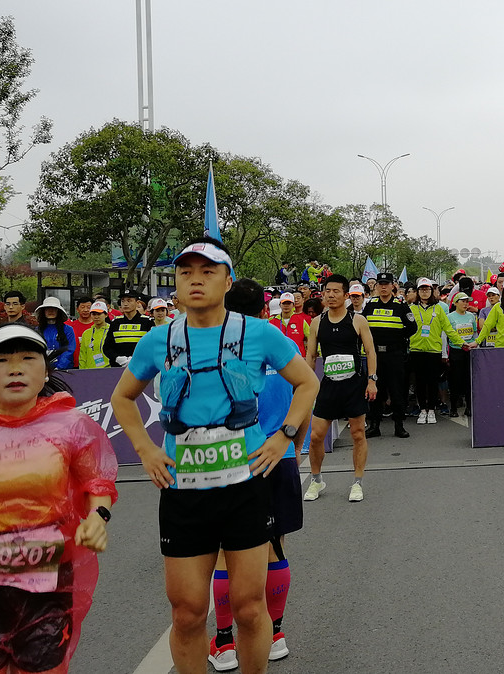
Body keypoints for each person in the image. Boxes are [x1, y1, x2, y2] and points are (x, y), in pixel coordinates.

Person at [109, 237, 319, 674]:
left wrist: (284, 436)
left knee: (248, 609)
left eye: (207, 272)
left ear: (227, 281)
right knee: (187, 612)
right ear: (176, 285)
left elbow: (307, 382)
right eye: (186, 273)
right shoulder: (158, 340)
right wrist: (145, 449)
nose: (195, 280)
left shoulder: (258, 333)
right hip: (183, 491)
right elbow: (123, 399)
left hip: (244, 486)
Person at [0, 323, 118, 674]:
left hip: (46, 584)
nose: (15, 368)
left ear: (45, 370)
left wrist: (98, 517)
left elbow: (98, 481)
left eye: (28, 358)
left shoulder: (71, 425)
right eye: (1, 359)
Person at [209, 279, 312, 669]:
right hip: (280, 455)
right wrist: (295, 446)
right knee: (275, 544)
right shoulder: (283, 345)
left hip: (231, 457)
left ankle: (223, 642)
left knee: (224, 551)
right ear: (265, 310)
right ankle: (276, 633)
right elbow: (304, 395)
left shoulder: (215, 348)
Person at [303, 274, 377, 502]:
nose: (331, 295)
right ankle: (316, 480)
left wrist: (372, 380)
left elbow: (370, 351)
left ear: (346, 296)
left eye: (336, 291)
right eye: (328, 291)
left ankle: (357, 482)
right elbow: (311, 356)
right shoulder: (317, 323)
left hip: (354, 384)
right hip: (329, 385)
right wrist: (306, 385)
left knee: (357, 433)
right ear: (323, 294)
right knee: (316, 436)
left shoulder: (358, 320)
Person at [362, 271, 417, 439]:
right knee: (375, 391)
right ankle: (375, 425)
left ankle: (399, 425)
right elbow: (362, 327)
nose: (383, 287)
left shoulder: (400, 305)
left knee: (397, 391)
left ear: (393, 285)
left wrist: (399, 340)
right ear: (376, 286)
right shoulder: (370, 305)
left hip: (395, 355)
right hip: (375, 356)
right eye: (380, 284)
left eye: (386, 284)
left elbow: (412, 327)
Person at [409, 277, 464, 425]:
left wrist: (461, 343)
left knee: (432, 382)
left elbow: (448, 329)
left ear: (432, 291)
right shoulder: (411, 308)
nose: (425, 292)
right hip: (416, 350)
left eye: (427, 289)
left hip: (434, 350)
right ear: (418, 291)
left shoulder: (439, 308)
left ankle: (432, 410)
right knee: (420, 383)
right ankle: (422, 410)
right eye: (422, 289)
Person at [445, 293, 478, 417]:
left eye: (467, 301)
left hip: (469, 351)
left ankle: (469, 407)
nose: (465, 304)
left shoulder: (471, 316)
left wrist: (474, 345)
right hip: (456, 351)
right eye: (462, 301)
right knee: (455, 380)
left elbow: (474, 333)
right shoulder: (450, 317)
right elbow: (446, 335)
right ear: (455, 303)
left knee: (469, 380)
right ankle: (453, 407)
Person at [103, 289, 153, 366]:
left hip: (141, 366)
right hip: (118, 366)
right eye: (123, 301)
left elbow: (151, 346)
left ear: (137, 303)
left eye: (129, 301)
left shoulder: (147, 322)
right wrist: (117, 359)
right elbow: (107, 347)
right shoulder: (115, 322)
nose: (125, 304)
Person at [35, 297, 78, 370]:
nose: (50, 311)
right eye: (47, 308)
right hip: (42, 370)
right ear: (43, 312)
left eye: (54, 309)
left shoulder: (68, 329)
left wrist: (60, 367)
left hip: (65, 370)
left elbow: (69, 350)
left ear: (59, 311)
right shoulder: (37, 330)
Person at [269, 292, 310, 357]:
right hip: (278, 360)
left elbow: (310, 338)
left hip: (298, 359)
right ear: (280, 305)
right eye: (284, 303)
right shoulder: (272, 322)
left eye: (289, 303)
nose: (286, 305)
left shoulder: (301, 321)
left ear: (293, 305)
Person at [79, 301, 113, 369]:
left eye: (99, 314)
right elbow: (82, 355)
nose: (96, 317)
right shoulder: (86, 333)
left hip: (108, 371)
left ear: (106, 315)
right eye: (94, 314)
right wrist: (82, 372)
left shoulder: (112, 331)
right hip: (89, 371)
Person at [68, 295, 95, 368]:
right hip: (74, 365)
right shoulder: (70, 327)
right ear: (77, 309)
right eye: (82, 307)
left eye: (88, 307)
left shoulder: (97, 326)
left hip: (93, 365)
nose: (86, 310)